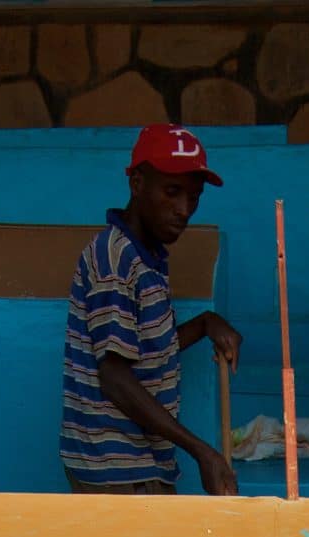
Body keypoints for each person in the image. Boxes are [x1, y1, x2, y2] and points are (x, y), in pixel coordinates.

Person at [59, 122, 244, 496]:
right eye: (172, 192)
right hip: (115, 468)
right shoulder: (115, 262)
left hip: (137, 462)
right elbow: (115, 378)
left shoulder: (147, 257)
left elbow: (143, 351)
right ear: (137, 183)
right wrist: (202, 452)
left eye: (193, 197)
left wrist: (205, 323)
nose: (184, 210)